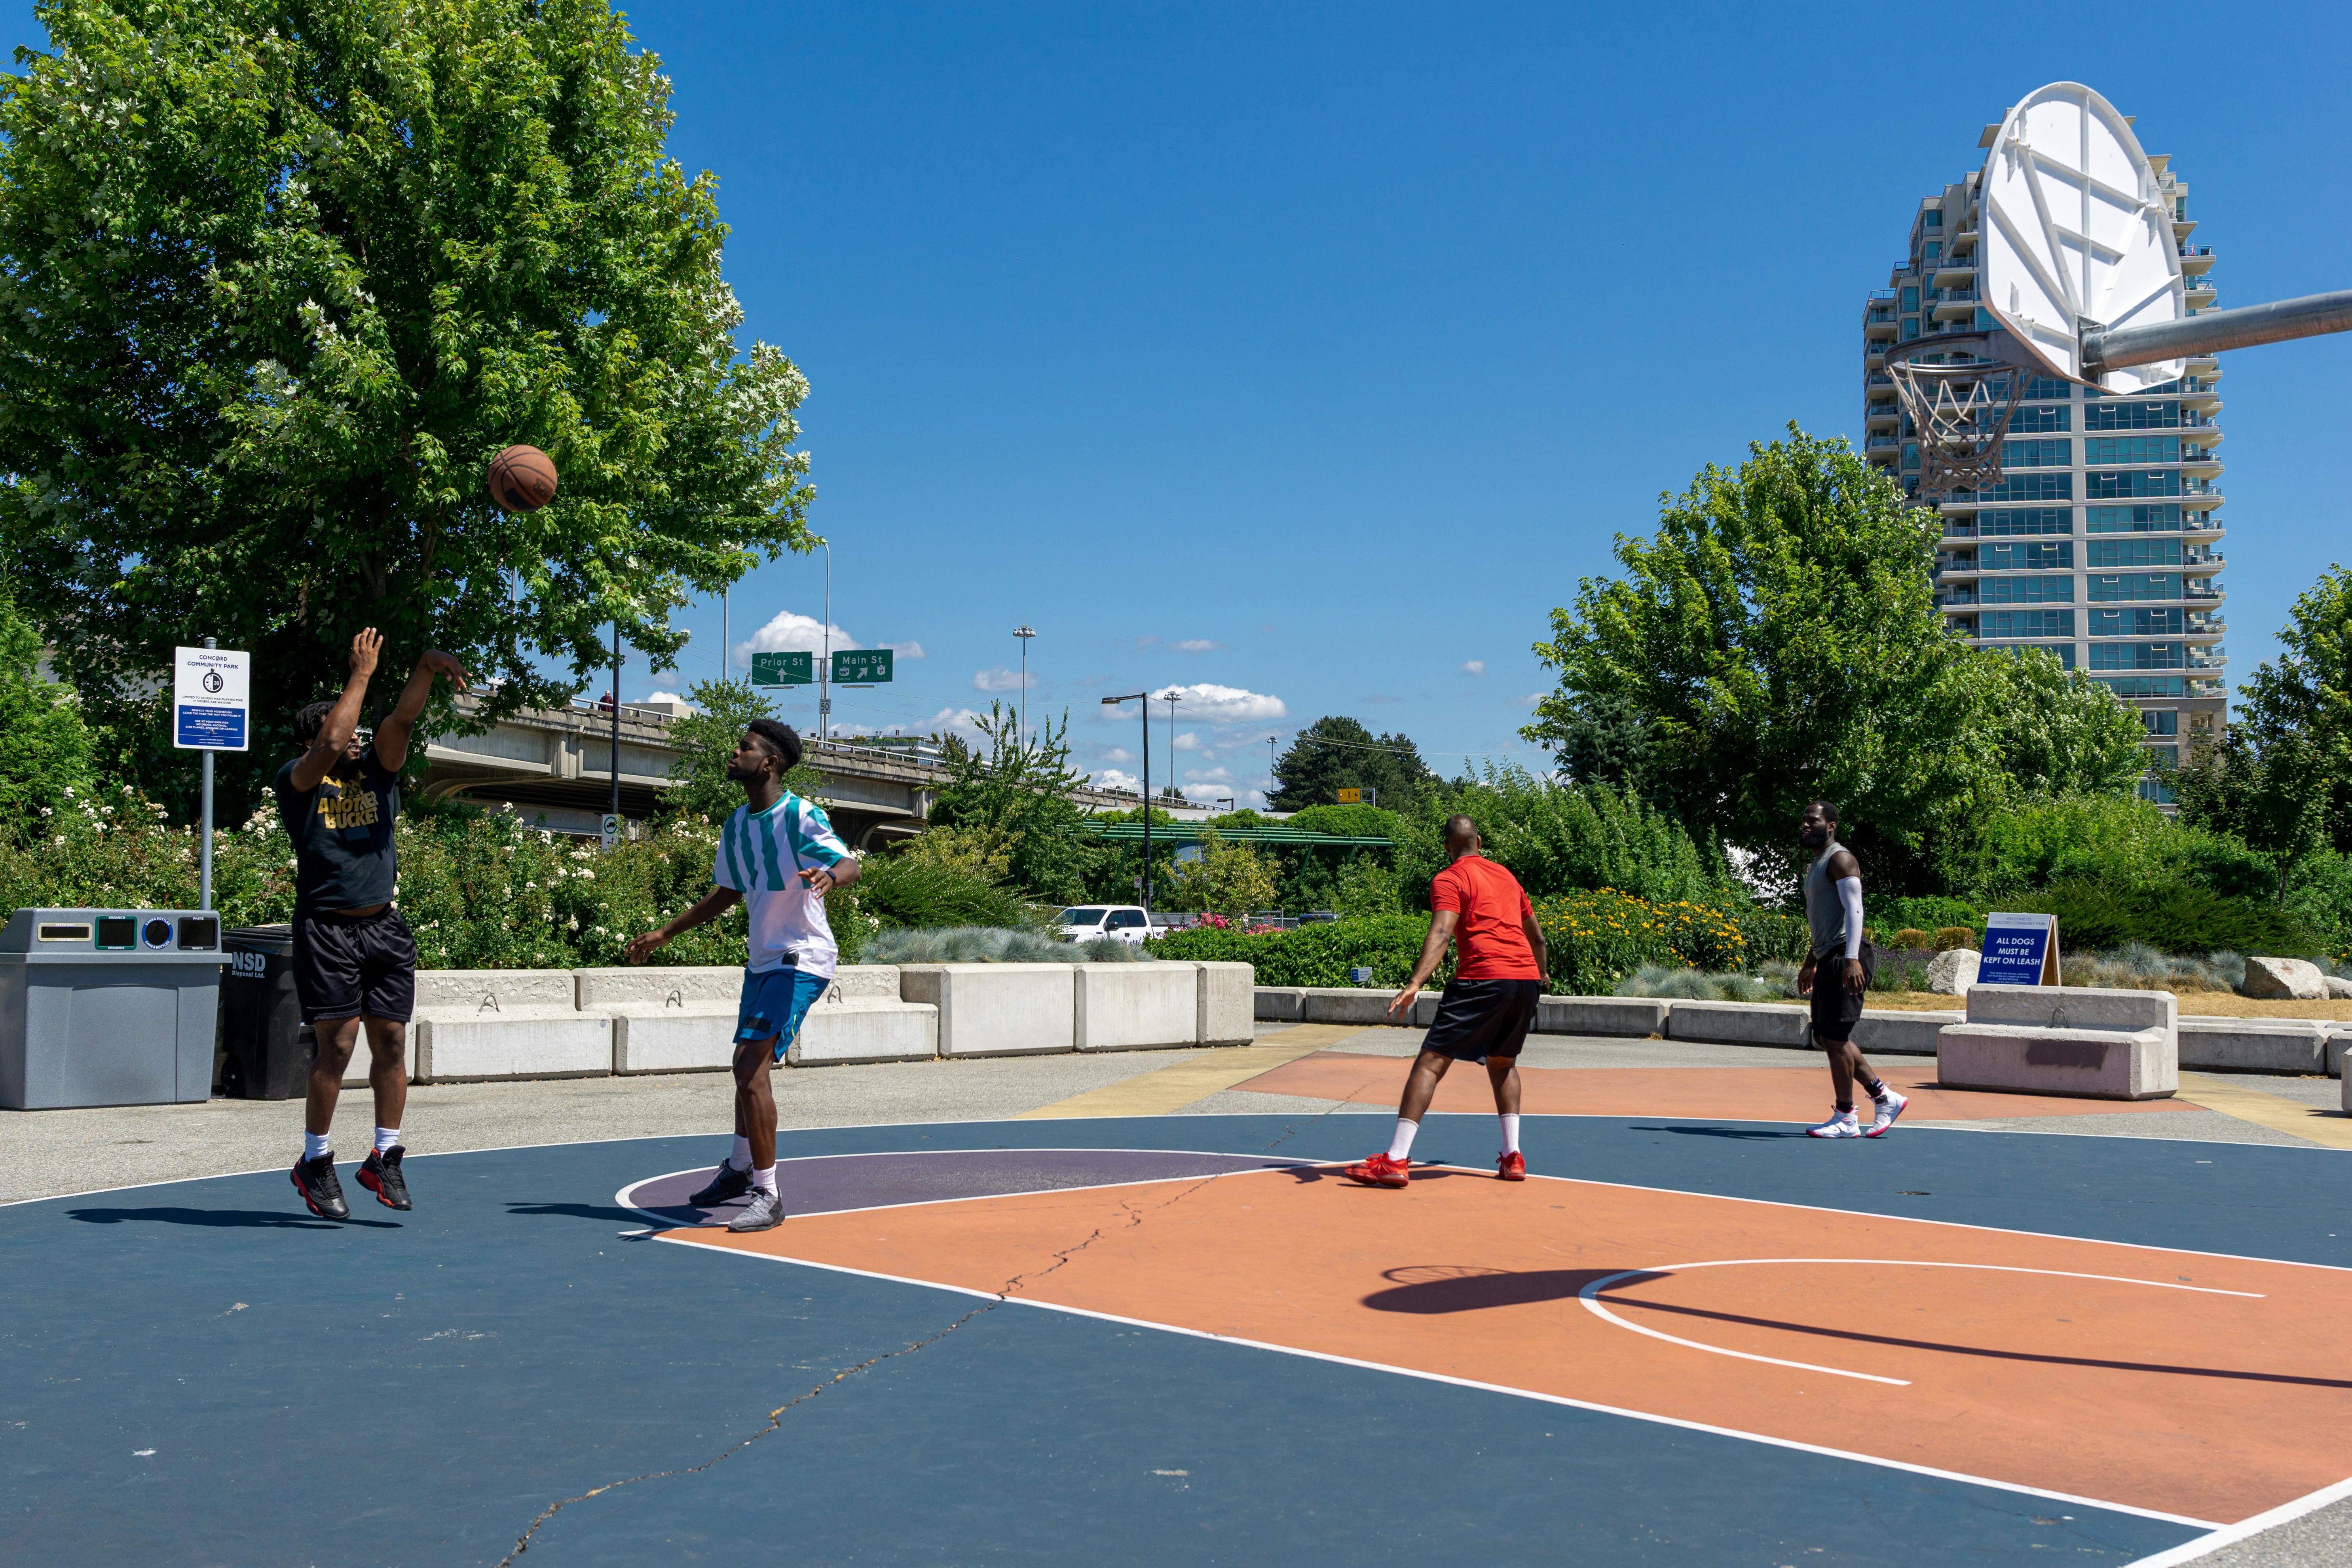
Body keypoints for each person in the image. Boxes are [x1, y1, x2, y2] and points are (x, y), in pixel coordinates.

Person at [625, 719, 860, 1231]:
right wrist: (665, 932)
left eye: (745, 747)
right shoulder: (737, 824)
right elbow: (727, 892)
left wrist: (829, 875)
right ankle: (737, 1168)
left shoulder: (799, 815)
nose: (734, 752)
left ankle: (767, 1193)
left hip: (802, 958)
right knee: (743, 1065)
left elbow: (849, 864)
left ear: (769, 762)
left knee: (751, 1067)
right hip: (763, 960)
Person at [284, 628, 471, 1219]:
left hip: (382, 927)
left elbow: (400, 722)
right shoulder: (300, 780)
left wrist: (421, 666)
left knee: (390, 1042)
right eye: (345, 733)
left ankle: (384, 1155)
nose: (357, 740)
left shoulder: (379, 774)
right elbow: (336, 734)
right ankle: (315, 1161)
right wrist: (360, 673)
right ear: (315, 741)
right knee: (336, 1046)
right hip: (326, 928)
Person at [1343, 815, 1547, 1188]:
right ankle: (1512, 1157)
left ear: (1446, 847)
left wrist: (1414, 983)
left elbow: (1442, 931)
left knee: (1431, 1062)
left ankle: (1395, 1160)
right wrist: (1542, 975)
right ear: (1479, 841)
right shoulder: (1506, 876)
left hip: (1485, 977)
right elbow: (1537, 938)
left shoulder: (1450, 878)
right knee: (1503, 1064)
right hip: (1525, 980)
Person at [1794, 800, 1908, 1139]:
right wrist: (1810, 963)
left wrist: (1853, 958)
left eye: (1812, 821)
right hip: (1830, 957)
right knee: (1828, 1037)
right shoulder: (1817, 864)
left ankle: (1846, 1115)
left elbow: (1854, 911)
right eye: (1803, 821)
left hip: (1846, 956)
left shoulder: (1840, 859)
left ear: (1831, 825)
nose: (1805, 826)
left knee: (1835, 1037)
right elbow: (1824, 923)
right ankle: (1884, 1097)